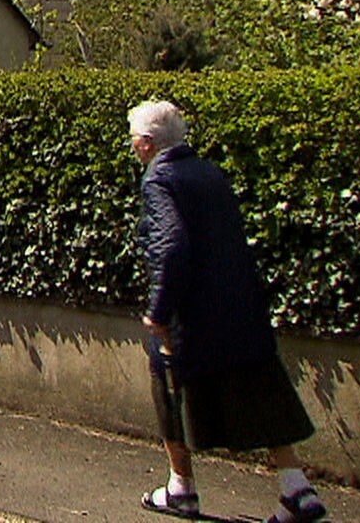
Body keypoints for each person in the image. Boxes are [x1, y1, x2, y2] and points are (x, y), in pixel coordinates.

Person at [129, 100, 326, 523]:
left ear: (147, 144)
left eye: (134, 141)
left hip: (193, 315)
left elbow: (172, 245)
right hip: (238, 307)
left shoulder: (159, 180)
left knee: (167, 386)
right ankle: (296, 488)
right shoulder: (210, 172)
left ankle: (181, 488)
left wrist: (159, 311)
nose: (133, 149)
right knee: (259, 390)